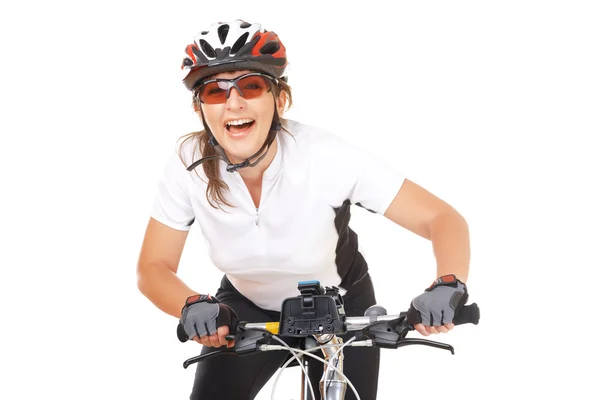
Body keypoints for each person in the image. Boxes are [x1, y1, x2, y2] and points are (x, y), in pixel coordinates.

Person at [137, 19, 471, 400]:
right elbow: (152, 267)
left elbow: (441, 218)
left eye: (251, 85)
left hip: (340, 307)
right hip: (242, 309)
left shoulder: (325, 157)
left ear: (280, 100)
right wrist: (191, 305)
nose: (234, 102)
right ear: (200, 108)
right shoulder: (187, 165)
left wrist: (449, 283)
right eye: (215, 91)